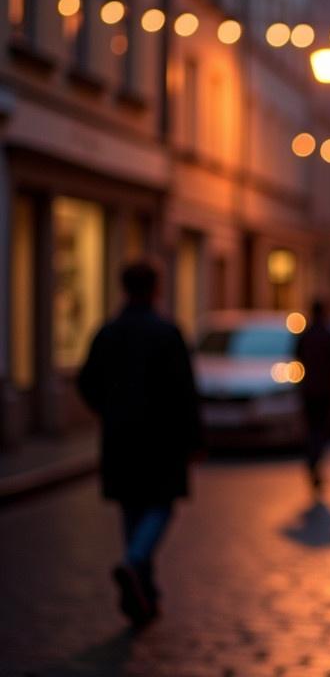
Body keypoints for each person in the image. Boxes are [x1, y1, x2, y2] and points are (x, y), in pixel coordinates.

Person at [77, 261, 202, 627]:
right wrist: (194, 438)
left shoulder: (109, 332)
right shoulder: (166, 332)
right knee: (159, 506)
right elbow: (185, 392)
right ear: (155, 289)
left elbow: (86, 382)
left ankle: (144, 593)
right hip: (161, 439)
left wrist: (108, 411)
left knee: (132, 508)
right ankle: (135, 564)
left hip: (121, 438)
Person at [293, 300, 330, 494]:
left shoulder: (305, 335)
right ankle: (315, 459)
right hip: (324, 389)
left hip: (308, 389)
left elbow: (295, 355)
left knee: (312, 426)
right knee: (320, 426)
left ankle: (312, 458)